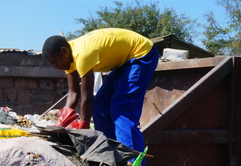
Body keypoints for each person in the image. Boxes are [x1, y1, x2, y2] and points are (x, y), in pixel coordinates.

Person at [42, 28, 158, 156]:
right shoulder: (68, 58)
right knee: (100, 106)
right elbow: (74, 93)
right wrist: (64, 117)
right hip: (123, 62)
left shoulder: (82, 55)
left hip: (141, 54)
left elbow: (87, 97)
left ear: (64, 51)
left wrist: (84, 127)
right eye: (51, 64)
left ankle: (130, 164)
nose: (55, 67)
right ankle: (109, 153)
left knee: (122, 109)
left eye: (55, 62)